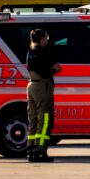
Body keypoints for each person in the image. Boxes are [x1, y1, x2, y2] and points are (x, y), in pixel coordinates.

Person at [26, 29, 61, 163]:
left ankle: (31, 150)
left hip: (31, 85)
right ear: (41, 39)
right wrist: (51, 70)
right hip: (42, 86)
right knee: (45, 119)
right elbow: (57, 68)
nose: (47, 40)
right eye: (45, 38)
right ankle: (41, 151)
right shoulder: (44, 51)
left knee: (33, 120)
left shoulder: (30, 52)